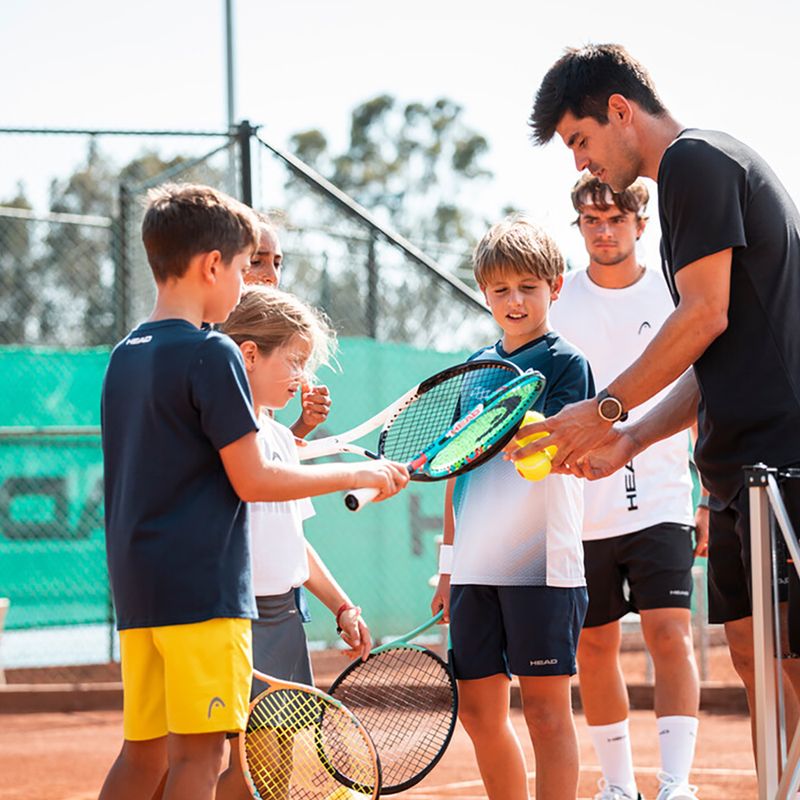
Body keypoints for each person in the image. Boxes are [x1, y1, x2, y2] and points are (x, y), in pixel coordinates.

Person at [522, 42, 800, 778]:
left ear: (619, 111)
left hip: (785, 457)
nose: (581, 163)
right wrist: (634, 434)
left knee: (793, 664)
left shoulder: (695, 163)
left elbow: (703, 316)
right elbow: (715, 355)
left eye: (580, 140)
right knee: (752, 654)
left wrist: (603, 411)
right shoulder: (687, 187)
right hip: (738, 467)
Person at [98, 183, 408, 800]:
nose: (248, 282)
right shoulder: (211, 352)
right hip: (204, 592)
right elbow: (255, 480)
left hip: (138, 591)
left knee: (144, 755)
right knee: (200, 754)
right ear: (213, 265)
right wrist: (358, 473)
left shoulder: (123, 355)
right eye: (245, 267)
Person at [549, 174, 703, 800]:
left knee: (670, 632)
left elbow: (701, 391)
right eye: (592, 221)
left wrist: (705, 491)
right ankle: (619, 787)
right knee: (595, 642)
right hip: (584, 506)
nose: (605, 230)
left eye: (616, 219)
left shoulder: (676, 294)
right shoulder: (559, 302)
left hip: (664, 497)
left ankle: (676, 784)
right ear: (580, 228)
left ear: (641, 225)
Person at [431, 214, 593, 800]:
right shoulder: (476, 370)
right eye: (501, 289)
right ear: (484, 293)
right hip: (475, 567)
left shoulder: (567, 363)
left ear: (556, 286)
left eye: (528, 286)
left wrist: (533, 436)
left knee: (546, 713)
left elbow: (573, 448)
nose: (515, 300)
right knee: (478, 710)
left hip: (540, 562)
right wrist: (449, 566)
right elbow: (456, 472)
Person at [215, 285, 373, 799]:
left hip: (286, 617)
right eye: (295, 362)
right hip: (241, 620)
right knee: (228, 765)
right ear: (250, 354)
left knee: (273, 772)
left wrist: (343, 606)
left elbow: (293, 543)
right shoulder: (229, 435)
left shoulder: (280, 436)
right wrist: (351, 475)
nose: (303, 378)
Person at [244, 211, 331, 440]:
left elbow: (264, 455)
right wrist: (354, 477)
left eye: (277, 263)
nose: (271, 276)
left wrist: (304, 424)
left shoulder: (263, 337)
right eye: (256, 261)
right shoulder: (213, 346)